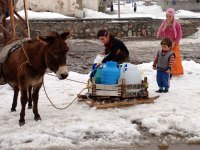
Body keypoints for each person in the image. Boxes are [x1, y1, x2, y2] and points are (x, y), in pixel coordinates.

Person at [157, 8, 183, 76]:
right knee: (166, 58)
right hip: (167, 44)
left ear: (173, 16)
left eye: (170, 16)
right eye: (167, 16)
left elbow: (180, 34)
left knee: (175, 57)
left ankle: (175, 71)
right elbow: (160, 33)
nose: (168, 18)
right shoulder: (164, 23)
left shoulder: (176, 24)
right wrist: (164, 27)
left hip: (174, 43)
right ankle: (167, 71)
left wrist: (175, 42)